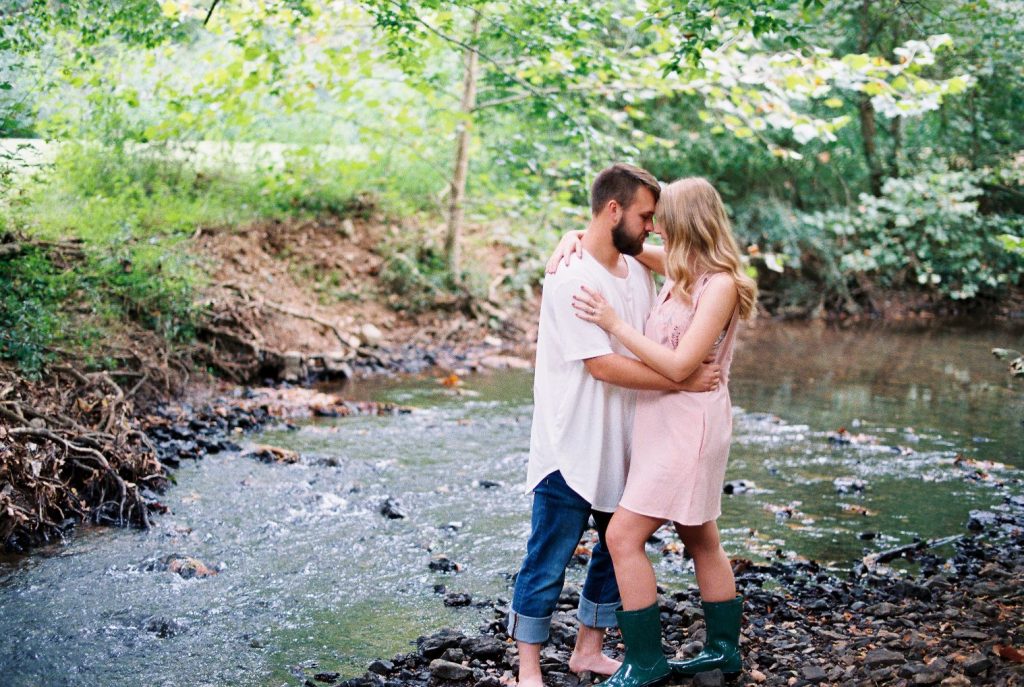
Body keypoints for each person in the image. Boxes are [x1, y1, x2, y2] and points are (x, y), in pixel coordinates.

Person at [508, 164, 723, 687]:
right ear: (613, 210)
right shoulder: (572, 276)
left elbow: (684, 275)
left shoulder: (640, 270)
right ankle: (528, 668)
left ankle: (588, 650)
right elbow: (600, 364)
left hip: (627, 440)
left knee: (615, 549)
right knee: (548, 557)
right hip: (569, 441)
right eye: (646, 216)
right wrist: (679, 381)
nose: (652, 227)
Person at [557, 177, 757, 686]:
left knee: (623, 535)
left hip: (690, 425)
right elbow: (622, 243)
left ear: (686, 220)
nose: (654, 223)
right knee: (699, 534)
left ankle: (645, 661)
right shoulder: (686, 269)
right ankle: (722, 652)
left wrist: (612, 324)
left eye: (662, 216)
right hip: (663, 421)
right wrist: (574, 237)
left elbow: (679, 366)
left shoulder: (721, 285)